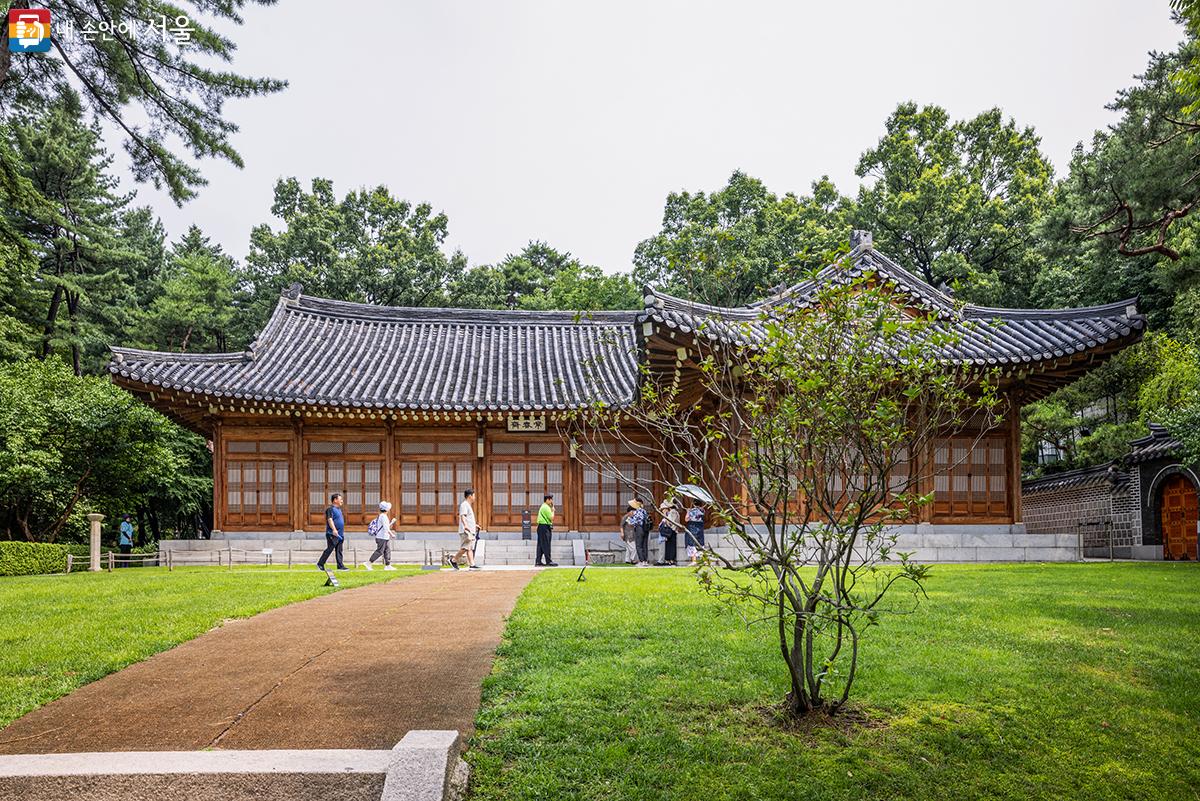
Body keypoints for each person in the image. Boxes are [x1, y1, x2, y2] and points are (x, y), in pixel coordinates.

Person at [450, 488, 481, 570]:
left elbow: (468, 518)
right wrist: (466, 525)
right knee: (465, 548)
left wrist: (475, 525)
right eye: (474, 495)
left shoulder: (468, 505)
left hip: (469, 530)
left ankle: (472, 564)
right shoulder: (464, 505)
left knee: (469, 548)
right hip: (466, 531)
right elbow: (463, 516)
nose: (474, 497)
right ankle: (453, 560)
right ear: (470, 496)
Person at [317, 493, 347, 571]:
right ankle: (320, 564)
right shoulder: (330, 509)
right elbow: (330, 519)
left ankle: (340, 566)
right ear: (335, 500)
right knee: (330, 549)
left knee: (339, 550)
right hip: (332, 533)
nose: (342, 501)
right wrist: (334, 529)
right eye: (340, 499)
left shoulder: (339, 510)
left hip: (340, 534)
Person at [365, 501, 396, 571]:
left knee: (387, 551)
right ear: (387, 509)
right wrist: (392, 534)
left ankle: (388, 565)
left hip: (384, 537)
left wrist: (392, 522)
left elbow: (385, 526)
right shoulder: (383, 516)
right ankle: (369, 563)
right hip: (382, 537)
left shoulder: (382, 516)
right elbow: (385, 528)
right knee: (380, 551)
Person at [655, 498, 684, 566]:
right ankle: (669, 560)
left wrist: (665, 520)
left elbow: (670, 522)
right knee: (670, 546)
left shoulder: (672, 512)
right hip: (673, 530)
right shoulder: (675, 512)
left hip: (672, 530)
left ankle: (670, 560)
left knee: (670, 546)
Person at [535, 493, 558, 567]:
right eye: (551, 499)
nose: (552, 501)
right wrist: (553, 510)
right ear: (547, 500)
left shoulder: (544, 506)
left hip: (541, 527)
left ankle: (538, 561)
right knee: (546, 544)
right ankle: (549, 561)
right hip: (544, 527)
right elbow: (552, 518)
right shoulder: (546, 507)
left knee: (541, 545)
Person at [685, 501, 706, 565]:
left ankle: (694, 560)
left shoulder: (692, 511)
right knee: (700, 543)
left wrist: (688, 511)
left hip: (692, 527)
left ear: (693, 504)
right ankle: (703, 560)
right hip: (700, 528)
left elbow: (686, 519)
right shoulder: (702, 511)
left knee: (692, 543)